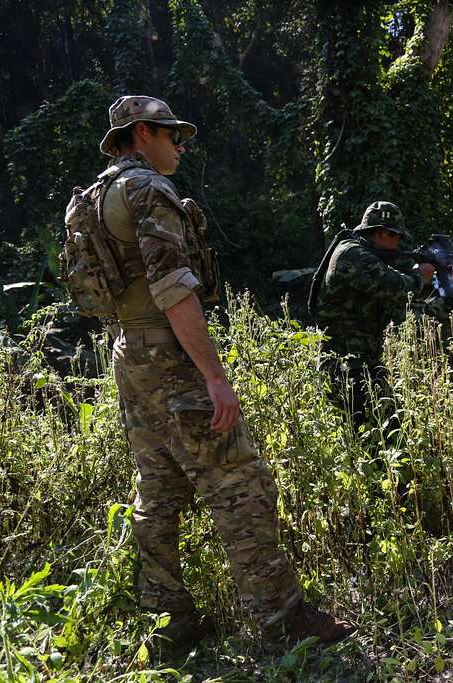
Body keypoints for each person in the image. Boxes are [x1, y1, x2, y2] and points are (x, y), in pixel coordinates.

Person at [92, 95, 353, 655]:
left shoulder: (94, 197)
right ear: (142, 133)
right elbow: (172, 287)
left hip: (128, 355)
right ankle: (282, 621)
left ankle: (168, 627)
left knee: (157, 493)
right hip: (169, 358)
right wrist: (212, 375)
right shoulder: (146, 189)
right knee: (239, 482)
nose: (181, 146)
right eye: (171, 135)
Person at [312, 201, 434, 425]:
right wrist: (420, 276)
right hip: (344, 368)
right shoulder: (352, 255)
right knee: (379, 439)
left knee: (392, 433)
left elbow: (401, 311)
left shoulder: (366, 255)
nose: (399, 244)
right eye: (396, 236)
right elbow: (397, 287)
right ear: (383, 233)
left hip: (365, 367)